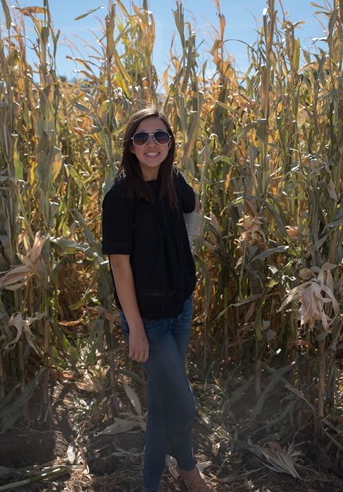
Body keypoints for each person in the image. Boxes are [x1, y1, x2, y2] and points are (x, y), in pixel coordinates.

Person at [102, 106, 214, 492]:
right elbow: (120, 267)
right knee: (184, 406)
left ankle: (157, 481)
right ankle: (186, 469)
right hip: (148, 319)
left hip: (180, 307)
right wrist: (135, 328)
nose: (153, 144)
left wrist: (185, 246)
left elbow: (192, 207)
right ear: (130, 147)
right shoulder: (119, 197)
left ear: (170, 144)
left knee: (164, 402)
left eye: (161, 136)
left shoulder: (173, 180)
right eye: (143, 137)